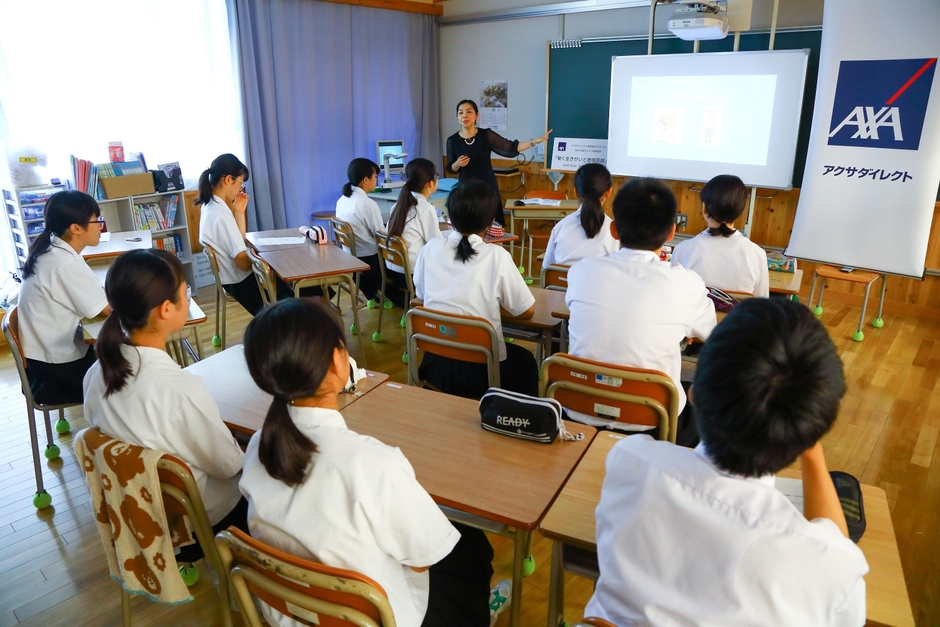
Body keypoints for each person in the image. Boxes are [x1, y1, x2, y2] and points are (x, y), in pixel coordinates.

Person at [584, 298, 869, 626]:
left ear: (692, 395)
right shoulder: (832, 565)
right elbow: (834, 546)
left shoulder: (630, 461)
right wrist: (810, 446)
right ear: (814, 429)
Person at [238, 299, 500, 627]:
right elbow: (421, 561)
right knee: (471, 550)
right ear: (338, 362)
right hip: (371, 618)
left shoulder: (258, 445)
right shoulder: (373, 463)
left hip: (289, 611)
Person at [83, 249, 246, 580]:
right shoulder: (177, 389)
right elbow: (229, 465)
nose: (188, 298)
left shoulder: (96, 373)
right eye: (185, 292)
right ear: (166, 309)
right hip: (197, 519)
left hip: (139, 514)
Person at [565, 177, 715, 445]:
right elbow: (710, 333)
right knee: (704, 401)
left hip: (578, 408)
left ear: (613, 230)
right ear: (671, 233)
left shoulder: (581, 271)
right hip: (653, 421)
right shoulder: (686, 283)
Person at [414, 180, 538, 399]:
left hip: (435, 363)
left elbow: (422, 297)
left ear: (449, 216)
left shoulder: (430, 249)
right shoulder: (497, 256)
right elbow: (526, 311)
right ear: (490, 221)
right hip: (481, 373)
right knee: (526, 362)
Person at [17, 190, 110, 405]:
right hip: (56, 373)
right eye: (97, 221)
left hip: (46, 362)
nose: (101, 227)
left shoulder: (53, 249)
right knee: (131, 370)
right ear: (76, 228)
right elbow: (106, 309)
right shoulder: (64, 262)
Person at [446, 99, 551, 226]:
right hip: (466, 190)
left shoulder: (486, 135)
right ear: (457, 117)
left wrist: (536, 141)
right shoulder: (452, 140)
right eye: (461, 113)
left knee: (493, 227)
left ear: (476, 116)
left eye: (469, 112)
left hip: (488, 188)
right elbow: (451, 168)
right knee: (469, 225)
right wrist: (457, 164)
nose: (464, 116)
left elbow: (511, 148)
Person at [672, 174, 770, 297]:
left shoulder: (683, 250)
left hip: (692, 316)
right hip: (737, 316)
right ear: (740, 211)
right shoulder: (756, 254)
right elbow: (762, 304)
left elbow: (673, 296)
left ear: (704, 208)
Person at [384, 158, 444, 309]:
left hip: (392, 271)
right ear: (430, 183)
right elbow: (436, 245)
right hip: (411, 277)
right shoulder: (425, 208)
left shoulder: (398, 205)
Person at [542, 163, 619, 267]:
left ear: (576, 192)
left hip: (563, 283)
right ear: (609, 192)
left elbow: (547, 270)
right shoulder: (615, 232)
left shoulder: (560, 228)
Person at [335, 157, 385, 305]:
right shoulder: (367, 204)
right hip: (369, 259)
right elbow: (381, 235)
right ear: (365, 180)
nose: (377, 180)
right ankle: (388, 295)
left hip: (349, 254)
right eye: (375, 177)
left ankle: (373, 295)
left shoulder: (342, 200)